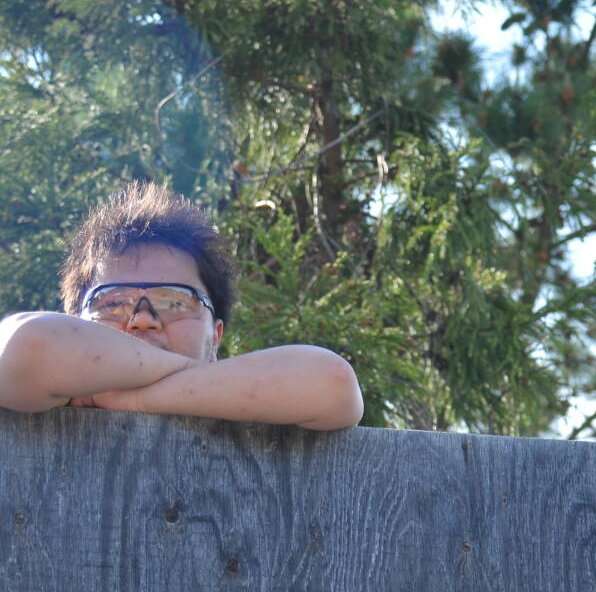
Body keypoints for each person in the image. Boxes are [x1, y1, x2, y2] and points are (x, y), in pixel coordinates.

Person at [0, 182, 364, 430]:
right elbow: (24, 344)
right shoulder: (55, 395)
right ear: (74, 322)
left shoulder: (255, 403)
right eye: (113, 302)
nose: (142, 320)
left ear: (215, 336)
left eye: (175, 301)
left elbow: (332, 383)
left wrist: (131, 399)